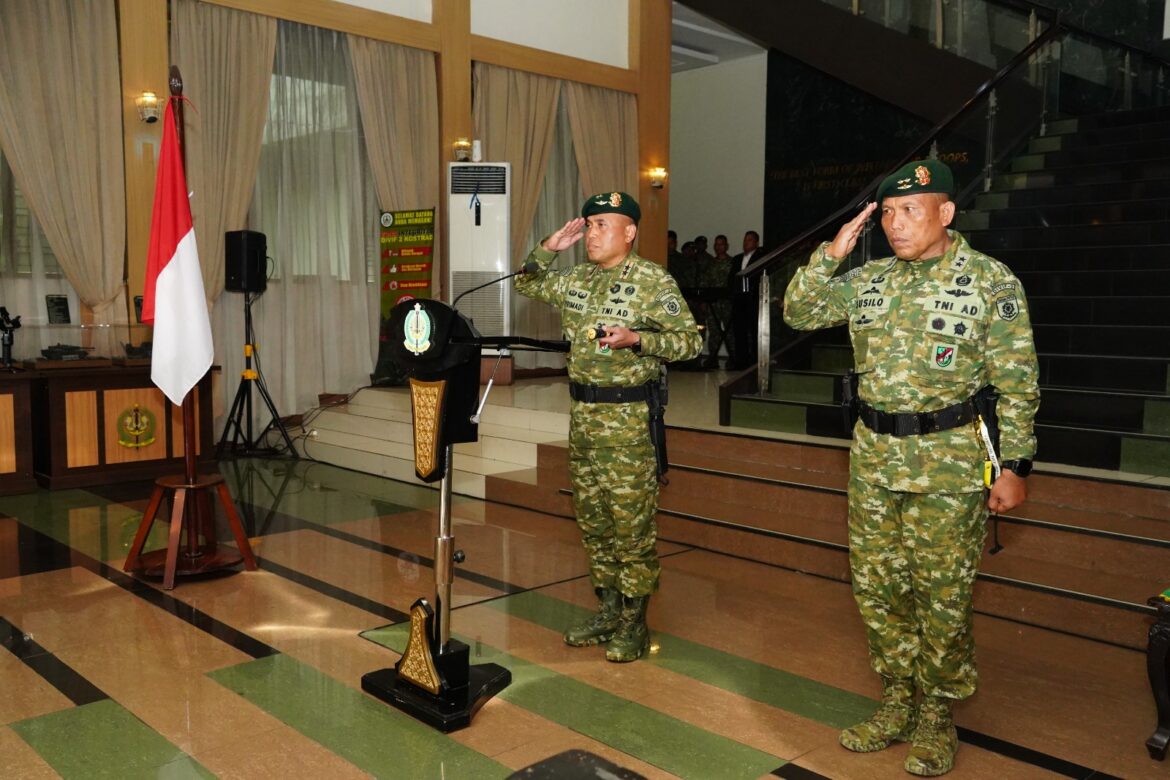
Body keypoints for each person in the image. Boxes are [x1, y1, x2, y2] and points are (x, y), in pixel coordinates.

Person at [783, 160, 1039, 777]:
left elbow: (1018, 384)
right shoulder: (869, 280)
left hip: (949, 464)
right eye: (889, 214)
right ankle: (898, 700)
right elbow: (798, 311)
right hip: (873, 460)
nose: (896, 225)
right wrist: (831, 252)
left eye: (911, 210)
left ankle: (937, 715)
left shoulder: (988, 281)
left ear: (946, 213)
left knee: (943, 598)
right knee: (878, 592)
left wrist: (1016, 464)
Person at [515, 192, 702, 662]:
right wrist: (550, 246)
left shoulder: (651, 281)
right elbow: (526, 284)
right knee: (594, 525)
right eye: (589, 224)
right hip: (583, 422)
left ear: (630, 232)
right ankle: (608, 610)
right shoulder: (576, 277)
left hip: (628, 427)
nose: (592, 233)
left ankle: (635, 623)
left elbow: (691, 343)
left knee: (630, 529)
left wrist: (639, 339)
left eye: (602, 225)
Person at [729, 230, 763, 369]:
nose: (745, 242)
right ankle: (740, 361)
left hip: (753, 299)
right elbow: (731, 278)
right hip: (739, 300)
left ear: (756, 242)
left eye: (749, 240)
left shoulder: (761, 257)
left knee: (754, 332)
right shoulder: (737, 258)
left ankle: (755, 362)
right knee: (739, 331)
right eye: (744, 240)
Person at [701, 234, 733, 368]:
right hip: (713, 303)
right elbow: (704, 283)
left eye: (721, 244)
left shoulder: (733, 263)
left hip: (728, 303)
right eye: (716, 244)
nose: (718, 247)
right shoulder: (710, 264)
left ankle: (733, 358)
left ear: (726, 246)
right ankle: (712, 358)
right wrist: (703, 301)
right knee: (714, 332)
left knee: (730, 332)